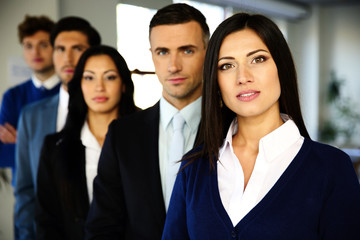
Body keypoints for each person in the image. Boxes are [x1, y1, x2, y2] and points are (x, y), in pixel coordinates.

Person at [162, 13, 360, 240]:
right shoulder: (193, 168)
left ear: (281, 68)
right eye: (227, 65)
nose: (243, 77)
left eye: (258, 59)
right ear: (215, 82)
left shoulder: (331, 168)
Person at [85, 3, 209, 239]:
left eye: (187, 50)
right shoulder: (122, 134)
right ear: (151, 55)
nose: (174, 66)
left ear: (208, 51)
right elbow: (102, 226)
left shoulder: (232, 128)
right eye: (163, 52)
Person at [36, 45, 139, 240]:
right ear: (79, 84)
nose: (99, 87)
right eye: (89, 77)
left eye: (109, 77)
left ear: (124, 84)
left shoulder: (145, 137)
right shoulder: (54, 147)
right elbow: (46, 220)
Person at [14, 16, 101, 240]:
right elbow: (24, 188)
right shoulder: (31, 116)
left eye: (77, 49)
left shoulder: (112, 113)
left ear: (93, 54)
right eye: (60, 49)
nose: (68, 58)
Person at [0, 15, 59, 185]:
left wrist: (24, 143)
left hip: (64, 192)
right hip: (25, 191)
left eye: (43, 45)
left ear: (55, 47)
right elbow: (2, 153)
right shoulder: (12, 96)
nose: (35, 52)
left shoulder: (70, 92)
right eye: (28, 46)